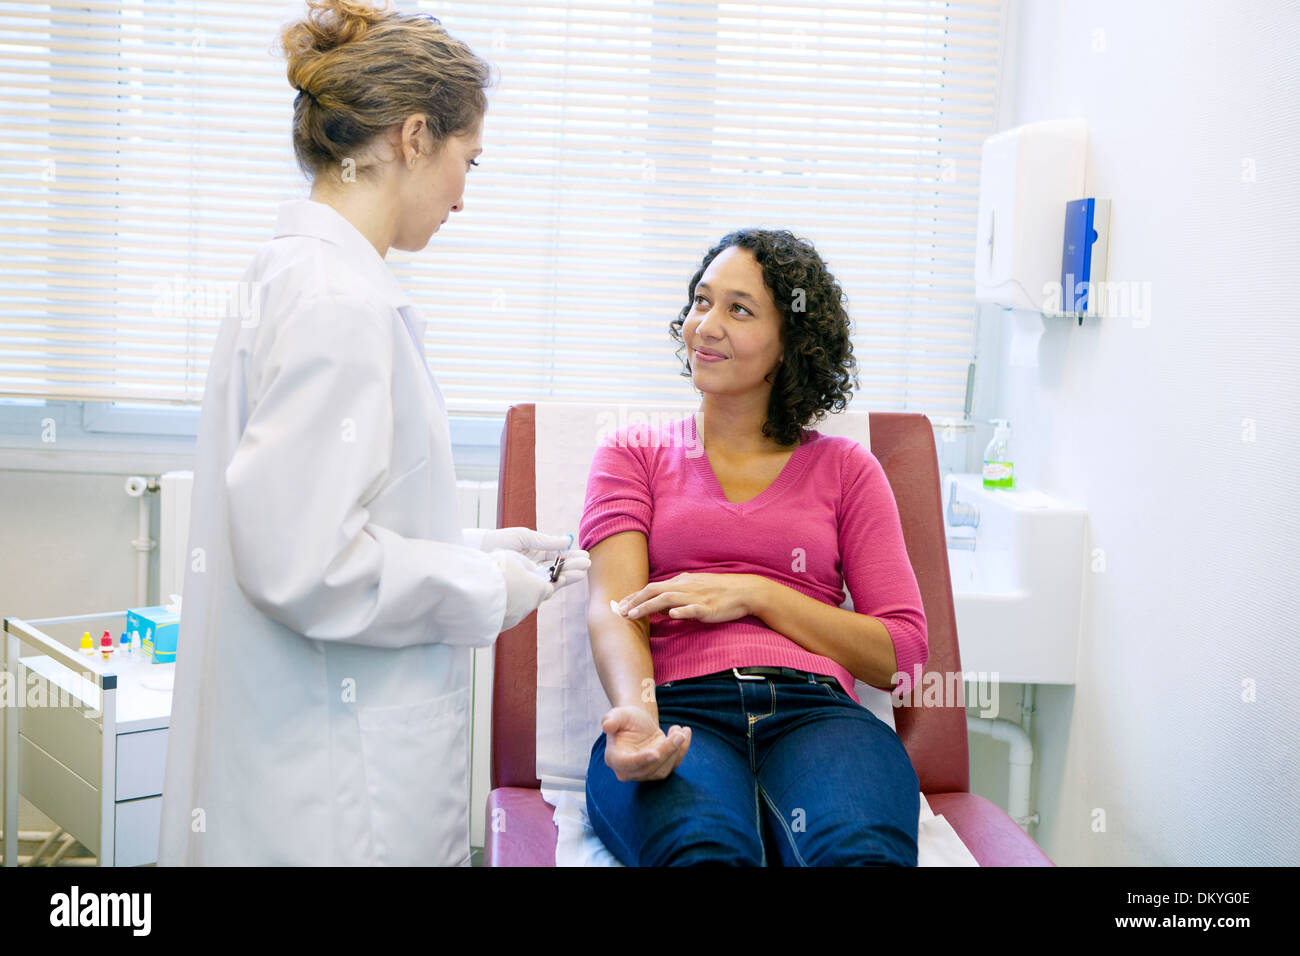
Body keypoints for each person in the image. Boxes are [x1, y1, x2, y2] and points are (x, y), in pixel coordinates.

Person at [158, 0, 588, 866]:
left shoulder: (302, 276)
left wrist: (478, 547)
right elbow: (307, 566)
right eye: (469, 160)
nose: (465, 196)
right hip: (335, 793)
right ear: (415, 136)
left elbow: (323, 516)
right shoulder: (338, 304)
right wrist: (486, 590)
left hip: (305, 753)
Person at [579, 229, 929, 866]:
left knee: (860, 857)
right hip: (682, 710)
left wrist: (757, 594)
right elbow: (615, 607)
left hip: (817, 715)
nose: (706, 326)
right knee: (704, 854)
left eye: (739, 309)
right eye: (702, 301)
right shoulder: (632, 453)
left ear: (790, 344)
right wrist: (638, 714)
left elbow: (901, 656)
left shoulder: (849, 470)